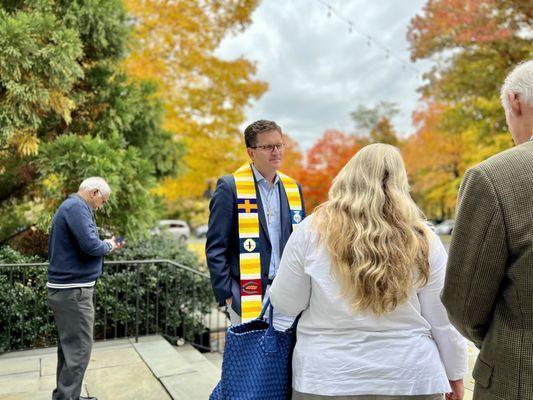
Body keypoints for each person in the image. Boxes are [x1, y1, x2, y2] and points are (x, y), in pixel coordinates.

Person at [270, 144, 467, 400]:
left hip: (327, 376)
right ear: (400, 183)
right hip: (410, 375)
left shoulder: (311, 231)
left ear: (347, 177)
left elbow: (286, 303)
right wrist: (456, 373)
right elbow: (443, 319)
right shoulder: (423, 237)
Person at [442, 60, 533, 400]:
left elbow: (463, 304)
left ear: (515, 102)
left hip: (519, 377)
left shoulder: (496, 177)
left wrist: (504, 341)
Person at [206, 119, 305, 329]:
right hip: (247, 295)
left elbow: (302, 242)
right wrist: (228, 295)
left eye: (279, 145)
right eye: (268, 147)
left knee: (287, 359)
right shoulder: (231, 187)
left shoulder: (293, 189)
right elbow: (216, 247)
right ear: (251, 152)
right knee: (248, 361)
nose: (276, 152)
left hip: (288, 294)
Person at [47, 177, 121, 400]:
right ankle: (68, 397)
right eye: (104, 201)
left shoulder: (73, 206)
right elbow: (91, 245)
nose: (102, 206)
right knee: (79, 351)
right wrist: (109, 244)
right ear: (95, 193)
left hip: (68, 290)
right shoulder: (77, 207)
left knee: (69, 350)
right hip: (73, 292)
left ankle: (67, 396)